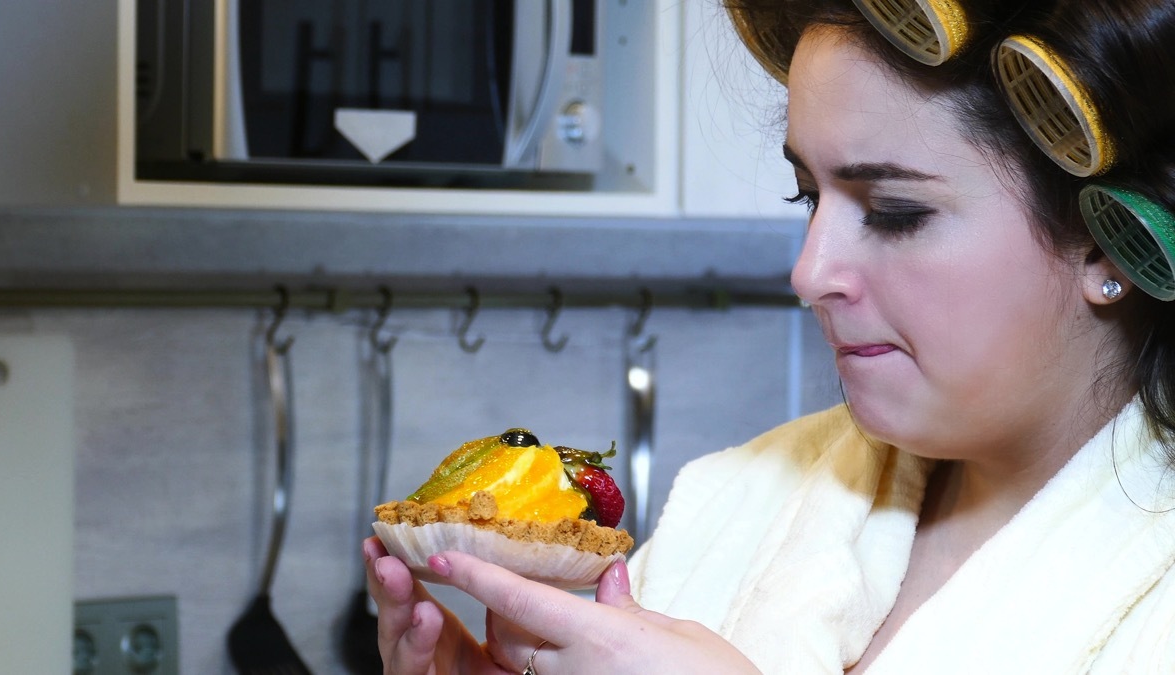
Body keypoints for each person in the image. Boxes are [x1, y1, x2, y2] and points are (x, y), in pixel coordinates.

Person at [362, 0, 1175, 671]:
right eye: (807, 198)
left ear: (1107, 245)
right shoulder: (737, 496)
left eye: (894, 213)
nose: (809, 272)